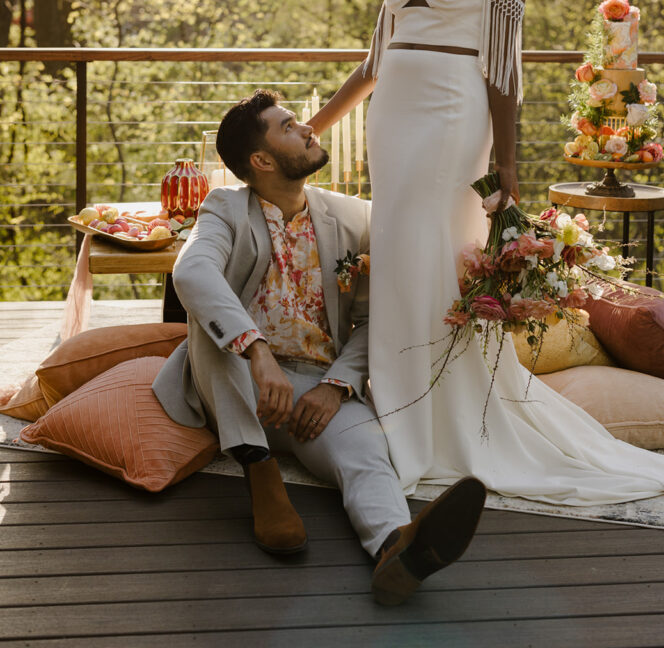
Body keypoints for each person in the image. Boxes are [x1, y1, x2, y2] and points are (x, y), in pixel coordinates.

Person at [309, 0, 664, 504]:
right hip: (394, 121)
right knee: (397, 252)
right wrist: (312, 130)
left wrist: (506, 160)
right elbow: (373, 64)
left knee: (436, 252)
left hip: (454, 120)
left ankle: (442, 412)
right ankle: (400, 406)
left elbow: (504, 68)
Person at [153, 89, 487, 606]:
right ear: (261, 160)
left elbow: (378, 318)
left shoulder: (352, 219)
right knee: (209, 318)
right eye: (288, 126)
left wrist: (336, 386)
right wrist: (257, 352)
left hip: (314, 387)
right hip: (236, 383)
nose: (308, 127)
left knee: (367, 455)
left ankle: (396, 550)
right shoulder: (224, 208)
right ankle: (258, 468)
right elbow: (192, 270)